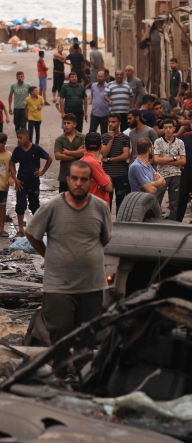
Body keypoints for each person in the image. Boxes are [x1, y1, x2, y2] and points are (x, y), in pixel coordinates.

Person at [24, 159, 112, 342]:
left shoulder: (101, 207)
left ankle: (82, 369)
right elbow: (32, 233)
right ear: (68, 179)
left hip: (91, 284)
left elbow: (105, 238)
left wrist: (87, 254)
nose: (78, 183)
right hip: (58, 285)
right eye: (74, 178)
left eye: (83, 179)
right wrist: (48, 255)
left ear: (90, 181)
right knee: (60, 332)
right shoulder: (52, 207)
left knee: (87, 336)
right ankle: (60, 371)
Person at [10, 129, 52, 237]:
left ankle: (38, 228)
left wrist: (42, 172)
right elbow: (12, 164)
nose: (19, 140)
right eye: (18, 138)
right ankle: (20, 229)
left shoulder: (36, 149)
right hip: (21, 182)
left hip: (33, 181)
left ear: (27, 137)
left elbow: (49, 159)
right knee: (20, 205)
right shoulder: (17, 150)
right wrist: (15, 179)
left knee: (34, 205)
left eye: (21, 138)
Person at [152, 119, 186, 219]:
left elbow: (183, 161)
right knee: (157, 199)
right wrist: (175, 158)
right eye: (165, 128)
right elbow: (156, 159)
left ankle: (172, 222)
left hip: (176, 175)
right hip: (161, 175)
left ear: (174, 129)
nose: (168, 130)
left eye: (170, 127)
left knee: (174, 202)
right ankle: (155, 219)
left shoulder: (180, 142)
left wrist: (164, 160)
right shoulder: (158, 141)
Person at [100, 114, 131, 213]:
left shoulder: (125, 138)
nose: (110, 124)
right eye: (109, 122)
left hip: (121, 174)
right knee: (106, 201)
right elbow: (104, 153)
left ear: (119, 123)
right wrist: (111, 140)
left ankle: (119, 224)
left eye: (113, 122)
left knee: (120, 201)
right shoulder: (104, 137)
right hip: (107, 175)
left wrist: (109, 160)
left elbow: (125, 155)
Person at [54, 114, 86, 194]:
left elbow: (85, 152)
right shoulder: (60, 139)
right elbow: (57, 156)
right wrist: (77, 154)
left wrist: (68, 153)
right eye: (64, 123)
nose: (66, 125)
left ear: (74, 124)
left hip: (79, 175)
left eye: (68, 123)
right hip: (64, 176)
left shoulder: (82, 137)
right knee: (63, 202)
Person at [80, 133, 112, 205]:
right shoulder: (94, 163)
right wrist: (107, 179)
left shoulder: (82, 160)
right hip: (95, 207)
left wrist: (105, 178)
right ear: (101, 146)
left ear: (85, 146)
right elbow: (109, 187)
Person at [89, 69, 110, 134]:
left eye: (102, 76)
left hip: (105, 114)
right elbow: (92, 97)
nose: (100, 78)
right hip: (94, 113)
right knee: (92, 132)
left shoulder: (108, 86)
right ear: (96, 77)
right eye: (99, 76)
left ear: (105, 77)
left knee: (104, 133)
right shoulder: (93, 86)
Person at [0, 134, 10, 237]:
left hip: (3, 186)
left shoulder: (9, 156)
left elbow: (12, 170)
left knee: (2, 207)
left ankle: (1, 229)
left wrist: (12, 177)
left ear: (4, 143)